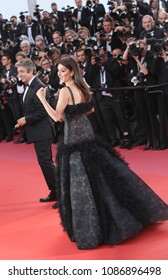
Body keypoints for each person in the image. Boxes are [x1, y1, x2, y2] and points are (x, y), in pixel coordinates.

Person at [36, 56, 168, 250]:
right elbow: (88, 111)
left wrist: (42, 99)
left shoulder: (65, 91)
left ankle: (94, 227)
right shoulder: (83, 87)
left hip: (73, 140)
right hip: (88, 135)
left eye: (63, 71)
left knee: (83, 184)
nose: (60, 74)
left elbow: (57, 117)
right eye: (58, 71)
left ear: (72, 72)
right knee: (104, 177)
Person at [15, 58, 57, 208]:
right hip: (37, 131)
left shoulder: (38, 86)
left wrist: (26, 119)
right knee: (44, 162)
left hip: (43, 130)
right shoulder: (29, 86)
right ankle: (54, 190)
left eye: (21, 71)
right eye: (18, 71)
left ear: (30, 71)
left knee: (46, 162)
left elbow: (43, 112)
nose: (19, 75)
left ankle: (60, 192)